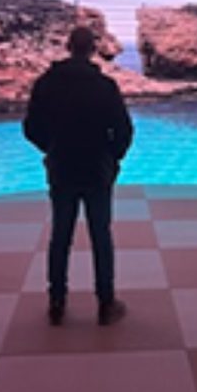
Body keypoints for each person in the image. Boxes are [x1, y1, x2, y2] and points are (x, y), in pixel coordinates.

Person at [23, 26, 134, 326]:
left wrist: (52, 148)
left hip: (62, 167)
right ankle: (106, 303)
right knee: (101, 236)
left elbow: (31, 128)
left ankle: (56, 302)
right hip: (97, 169)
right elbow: (124, 130)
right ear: (93, 50)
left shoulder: (46, 84)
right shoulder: (104, 86)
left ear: (68, 47)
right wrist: (112, 158)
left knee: (61, 236)